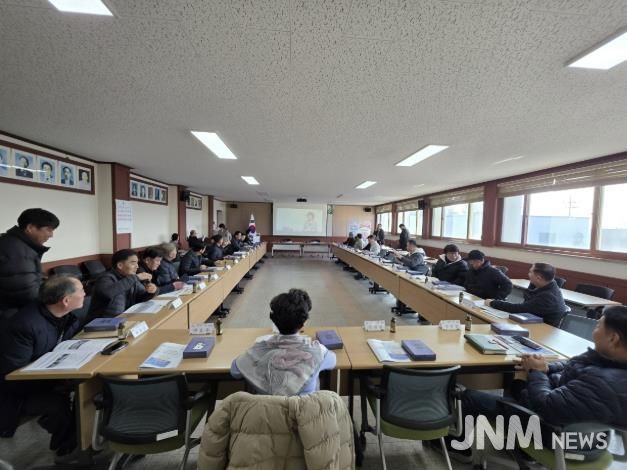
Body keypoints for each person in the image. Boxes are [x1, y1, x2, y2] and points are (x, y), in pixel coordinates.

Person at [450, 306, 627, 460]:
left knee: (468, 397)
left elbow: (545, 406)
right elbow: (572, 365)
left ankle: (460, 449)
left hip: (562, 438)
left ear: (613, 339)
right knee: (517, 384)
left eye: (598, 326)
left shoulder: (604, 383)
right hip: (582, 428)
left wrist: (537, 372)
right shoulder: (608, 359)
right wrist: (545, 366)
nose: (594, 331)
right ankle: (518, 446)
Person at [0, 275, 85, 462]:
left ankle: (81, 441)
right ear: (66, 300)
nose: (85, 293)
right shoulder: (25, 325)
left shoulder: (65, 316)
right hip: (16, 392)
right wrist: (57, 382)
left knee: (89, 387)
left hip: (48, 378)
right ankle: (67, 452)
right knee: (59, 405)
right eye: (81, 290)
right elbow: (13, 374)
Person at [231, 289, 336, 395]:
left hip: (267, 406)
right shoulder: (318, 351)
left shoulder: (259, 349)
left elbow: (235, 371)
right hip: (304, 405)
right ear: (304, 322)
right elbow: (333, 361)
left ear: (274, 321)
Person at [0, 208, 59, 317]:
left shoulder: (13, 243)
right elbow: (27, 294)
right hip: (13, 316)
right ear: (30, 228)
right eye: (48, 230)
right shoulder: (17, 251)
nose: (51, 235)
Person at [486, 263, 568, 327]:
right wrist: (533, 283)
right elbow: (526, 301)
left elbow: (519, 308)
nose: (528, 274)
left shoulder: (548, 296)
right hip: (531, 321)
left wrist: (493, 303)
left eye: (530, 272)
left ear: (538, 278)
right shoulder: (549, 285)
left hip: (540, 329)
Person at [88, 249, 157, 320]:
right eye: (133, 263)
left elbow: (140, 298)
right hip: (100, 323)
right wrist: (136, 278)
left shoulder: (131, 278)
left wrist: (149, 292)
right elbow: (108, 293)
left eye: (137, 263)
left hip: (123, 319)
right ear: (120, 265)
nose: (137, 266)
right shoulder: (105, 278)